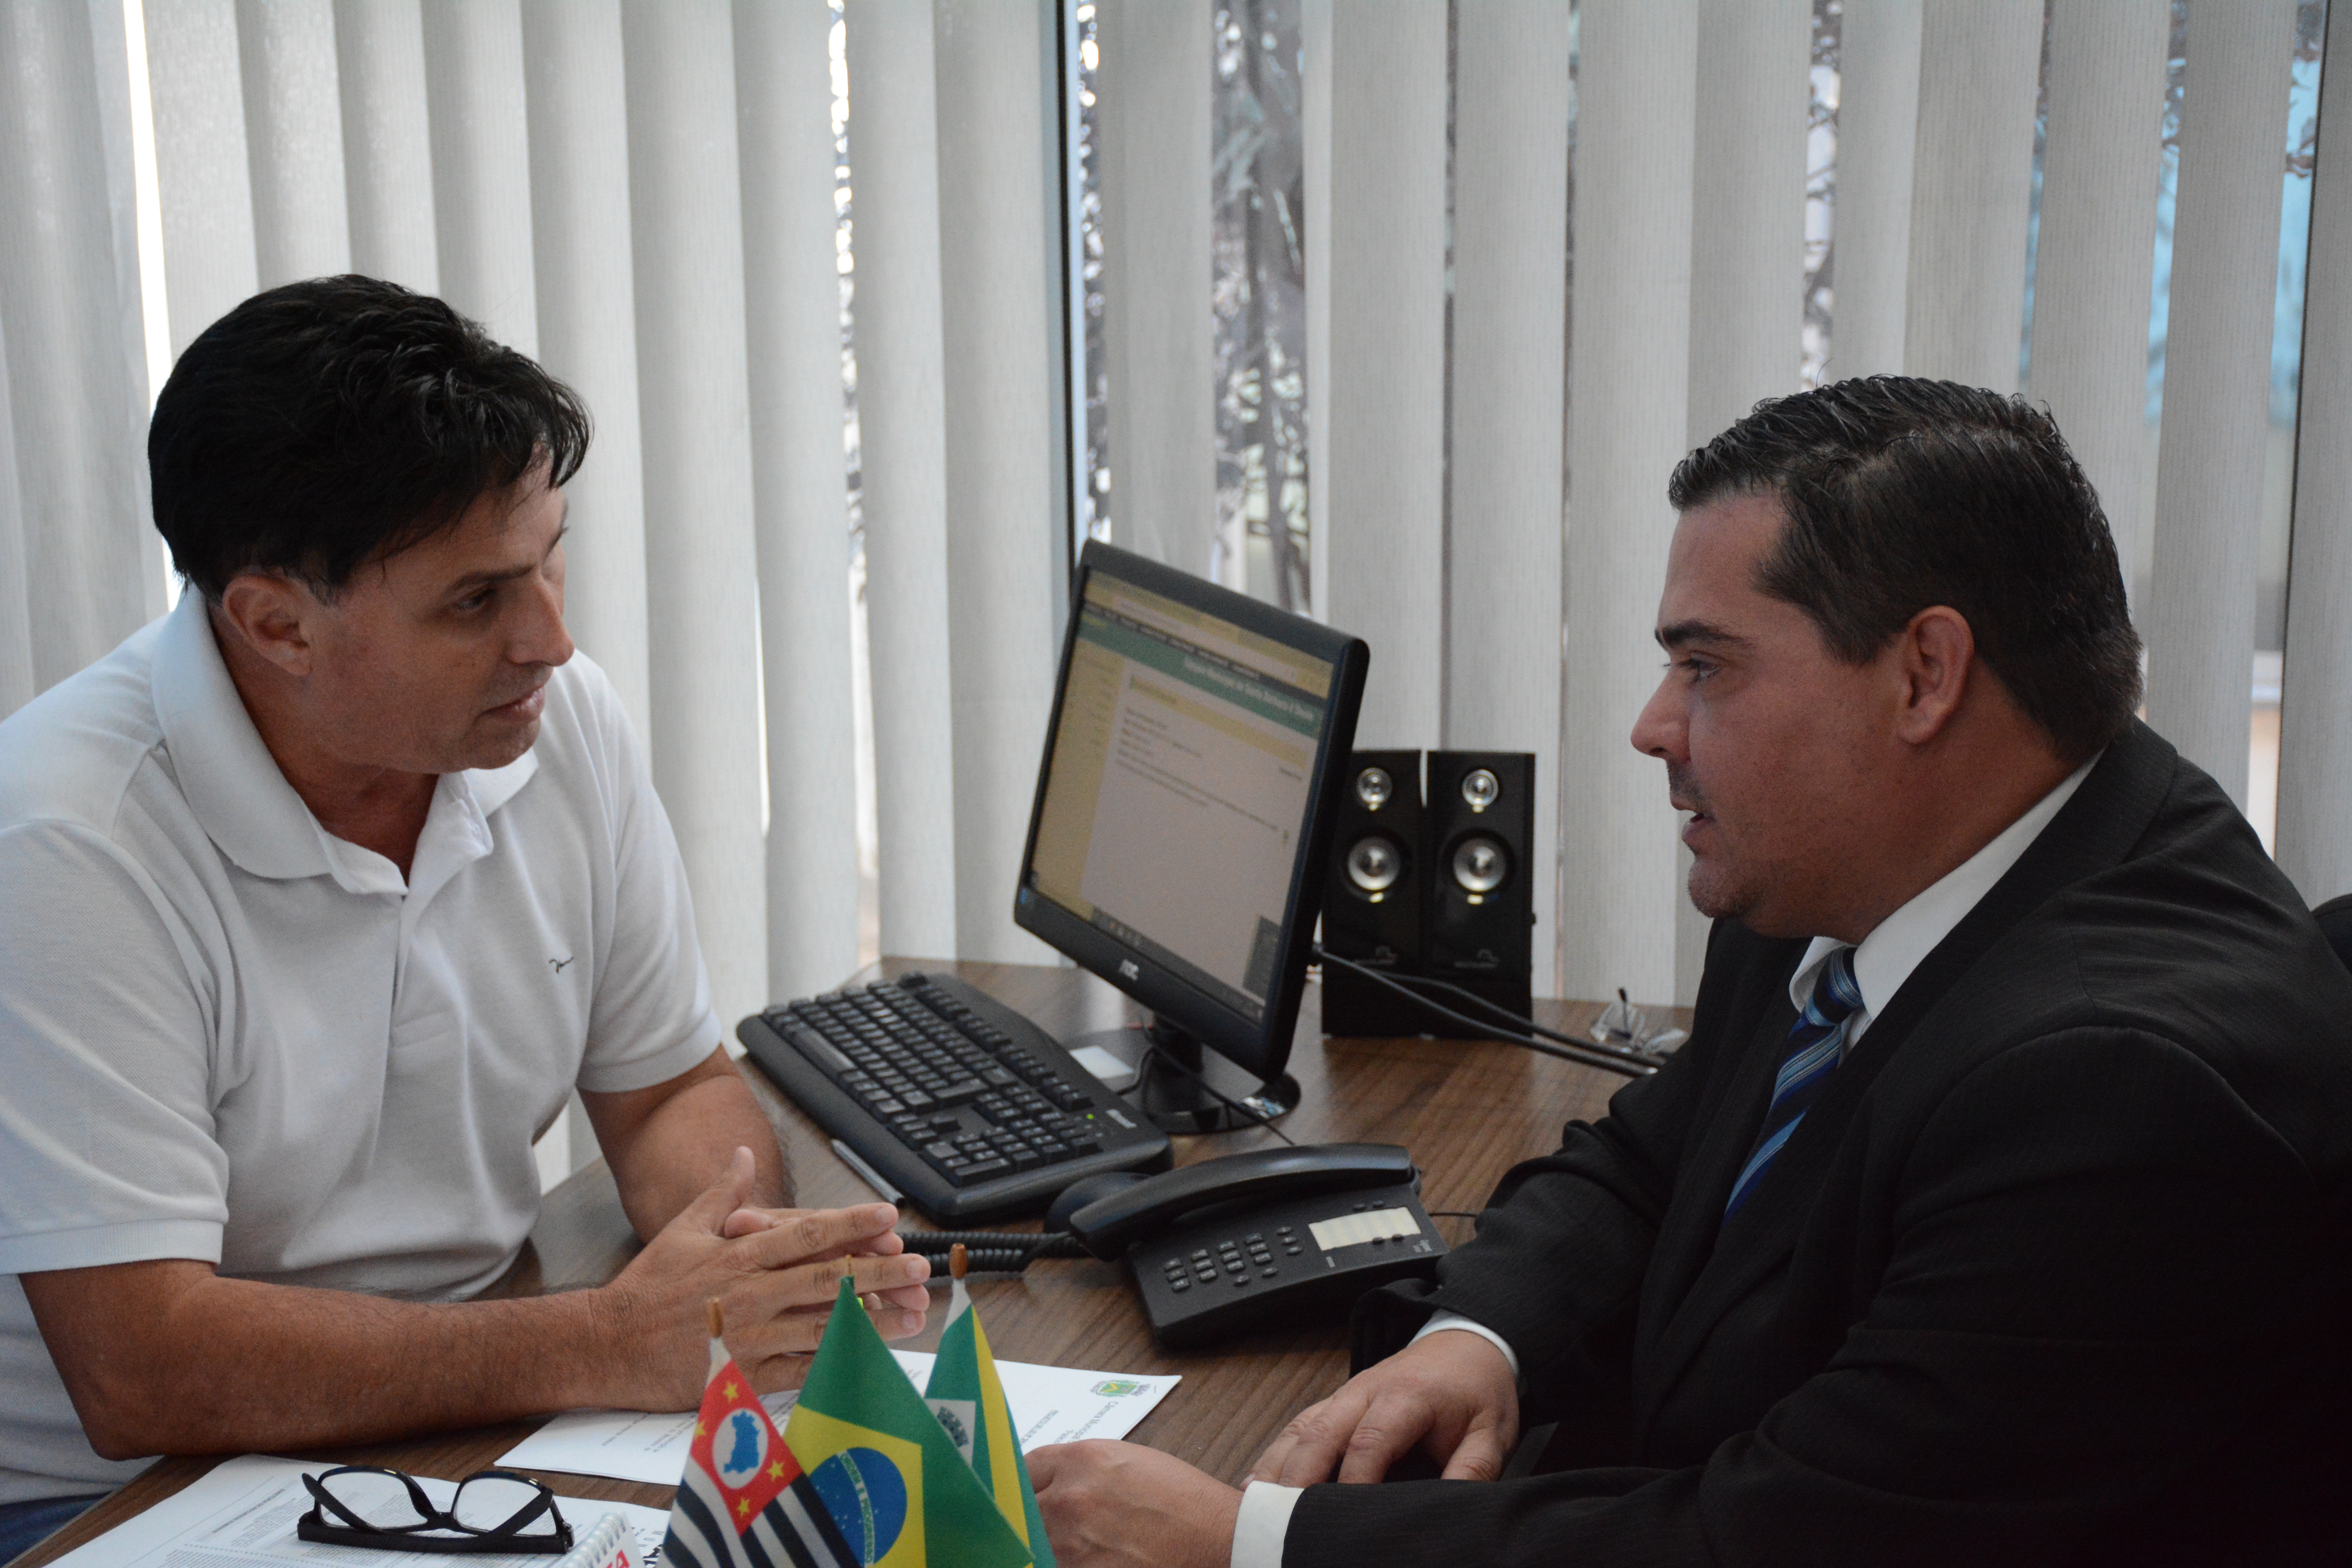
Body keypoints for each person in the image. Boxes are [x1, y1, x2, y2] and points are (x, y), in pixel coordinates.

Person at [1027, 377, 2352, 1566]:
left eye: (1705, 667)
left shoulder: (2119, 1095)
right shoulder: (1857, 871)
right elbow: (1655, 1165)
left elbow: (1772, 1541)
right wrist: (1474, 1339)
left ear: (1926, 676)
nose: (1653, 727)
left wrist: (1248, 1544)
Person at [0, 278, 930, 1558]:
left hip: (467, 1411)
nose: (551, 639)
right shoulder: (67, 838)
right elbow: (143, 1366)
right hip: (121, 1498)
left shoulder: (553, 721)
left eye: (551, 560)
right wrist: (609, 1342)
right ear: (275, 623)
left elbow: (667, 1092)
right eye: (477, 600)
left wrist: (743, 1266)